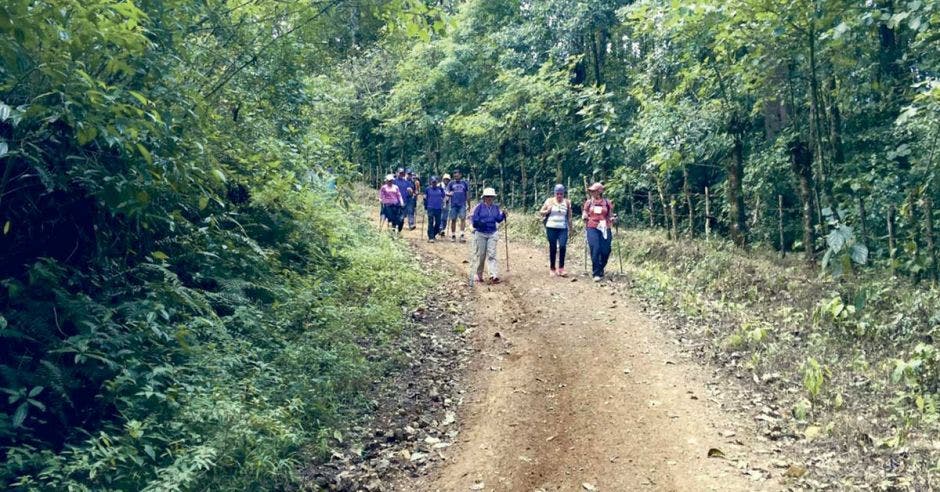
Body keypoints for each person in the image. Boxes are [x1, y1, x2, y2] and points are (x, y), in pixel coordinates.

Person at [470, 187, 508, 283]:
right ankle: (479, 275)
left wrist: (503, 215)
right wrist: (480, 222)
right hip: (480, 233)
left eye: (491, 197)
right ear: (484, 198)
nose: (489, 198)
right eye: (487, 197)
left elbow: (498, 219)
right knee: (481, 255)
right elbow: (474, 221)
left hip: (492, 233)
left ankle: (493, 275)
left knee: (492, 254)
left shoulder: (495, 208)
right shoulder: (479, 207)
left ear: (493, 198)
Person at [582, 182, 616, 282]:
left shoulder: (607, 202)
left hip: (605, 227)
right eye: (591, 191)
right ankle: (596, 273)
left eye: (594, 191)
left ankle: (601, 268)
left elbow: (610, 215)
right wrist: (584, 216)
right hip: (592, 226)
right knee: (595, 248)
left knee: (606, 250)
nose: (592, 192)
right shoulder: (588, 202)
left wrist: (613, 219)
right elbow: (585, 212)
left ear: (599, 192)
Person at [539, 184, 572, 277]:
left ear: (563, 194)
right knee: (553, 247)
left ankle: (561, 268)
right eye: (557, 194)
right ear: (555, 193)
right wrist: (547, 211)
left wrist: (571, 229)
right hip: (551, 227)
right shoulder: (549, 201)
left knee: (562, 246)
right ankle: (552, 268)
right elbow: (541, 212)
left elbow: (569, 216)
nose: (559, 196)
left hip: (563, 228)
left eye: (561, 194)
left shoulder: (567, 202)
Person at [446, 169, 470, 242]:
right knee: (453, 219)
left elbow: (467, 194)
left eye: (457, 175)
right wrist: (448, 195)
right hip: (453, 204)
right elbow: (447, 192)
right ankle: (453, 235)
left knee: (463, 219)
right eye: (455, 175)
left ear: (460, 175)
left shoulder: (464, 183)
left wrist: (469, 204)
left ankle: (462, 235)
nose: (456, 177)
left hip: (462, 204)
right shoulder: (451, 183)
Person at [424, 176, 446, 243]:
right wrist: (425, 205)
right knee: (430, 222)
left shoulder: (440, 189)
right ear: (431, 182)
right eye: (433, 182)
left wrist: (444, 203)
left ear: (437, 182)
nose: (434, 183)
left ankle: (433, 234)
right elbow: (425, 197)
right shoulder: (427, 189)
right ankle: (430, 237)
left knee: (438, 223)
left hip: (438, 208)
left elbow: (443, 196)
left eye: (435, 182)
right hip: (430, 207)